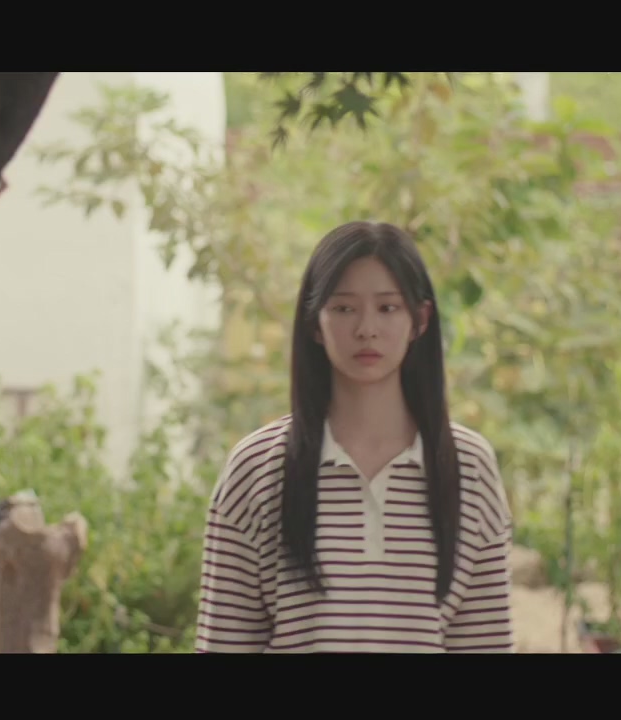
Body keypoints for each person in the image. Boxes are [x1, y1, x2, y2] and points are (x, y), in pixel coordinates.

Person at [193, 220, 514, 653]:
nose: (366, 328)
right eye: (344, 308)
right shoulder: (256, 468)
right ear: (314, 323)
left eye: (388, 307)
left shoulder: (468, 467)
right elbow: (223, 645)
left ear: (420, 320)